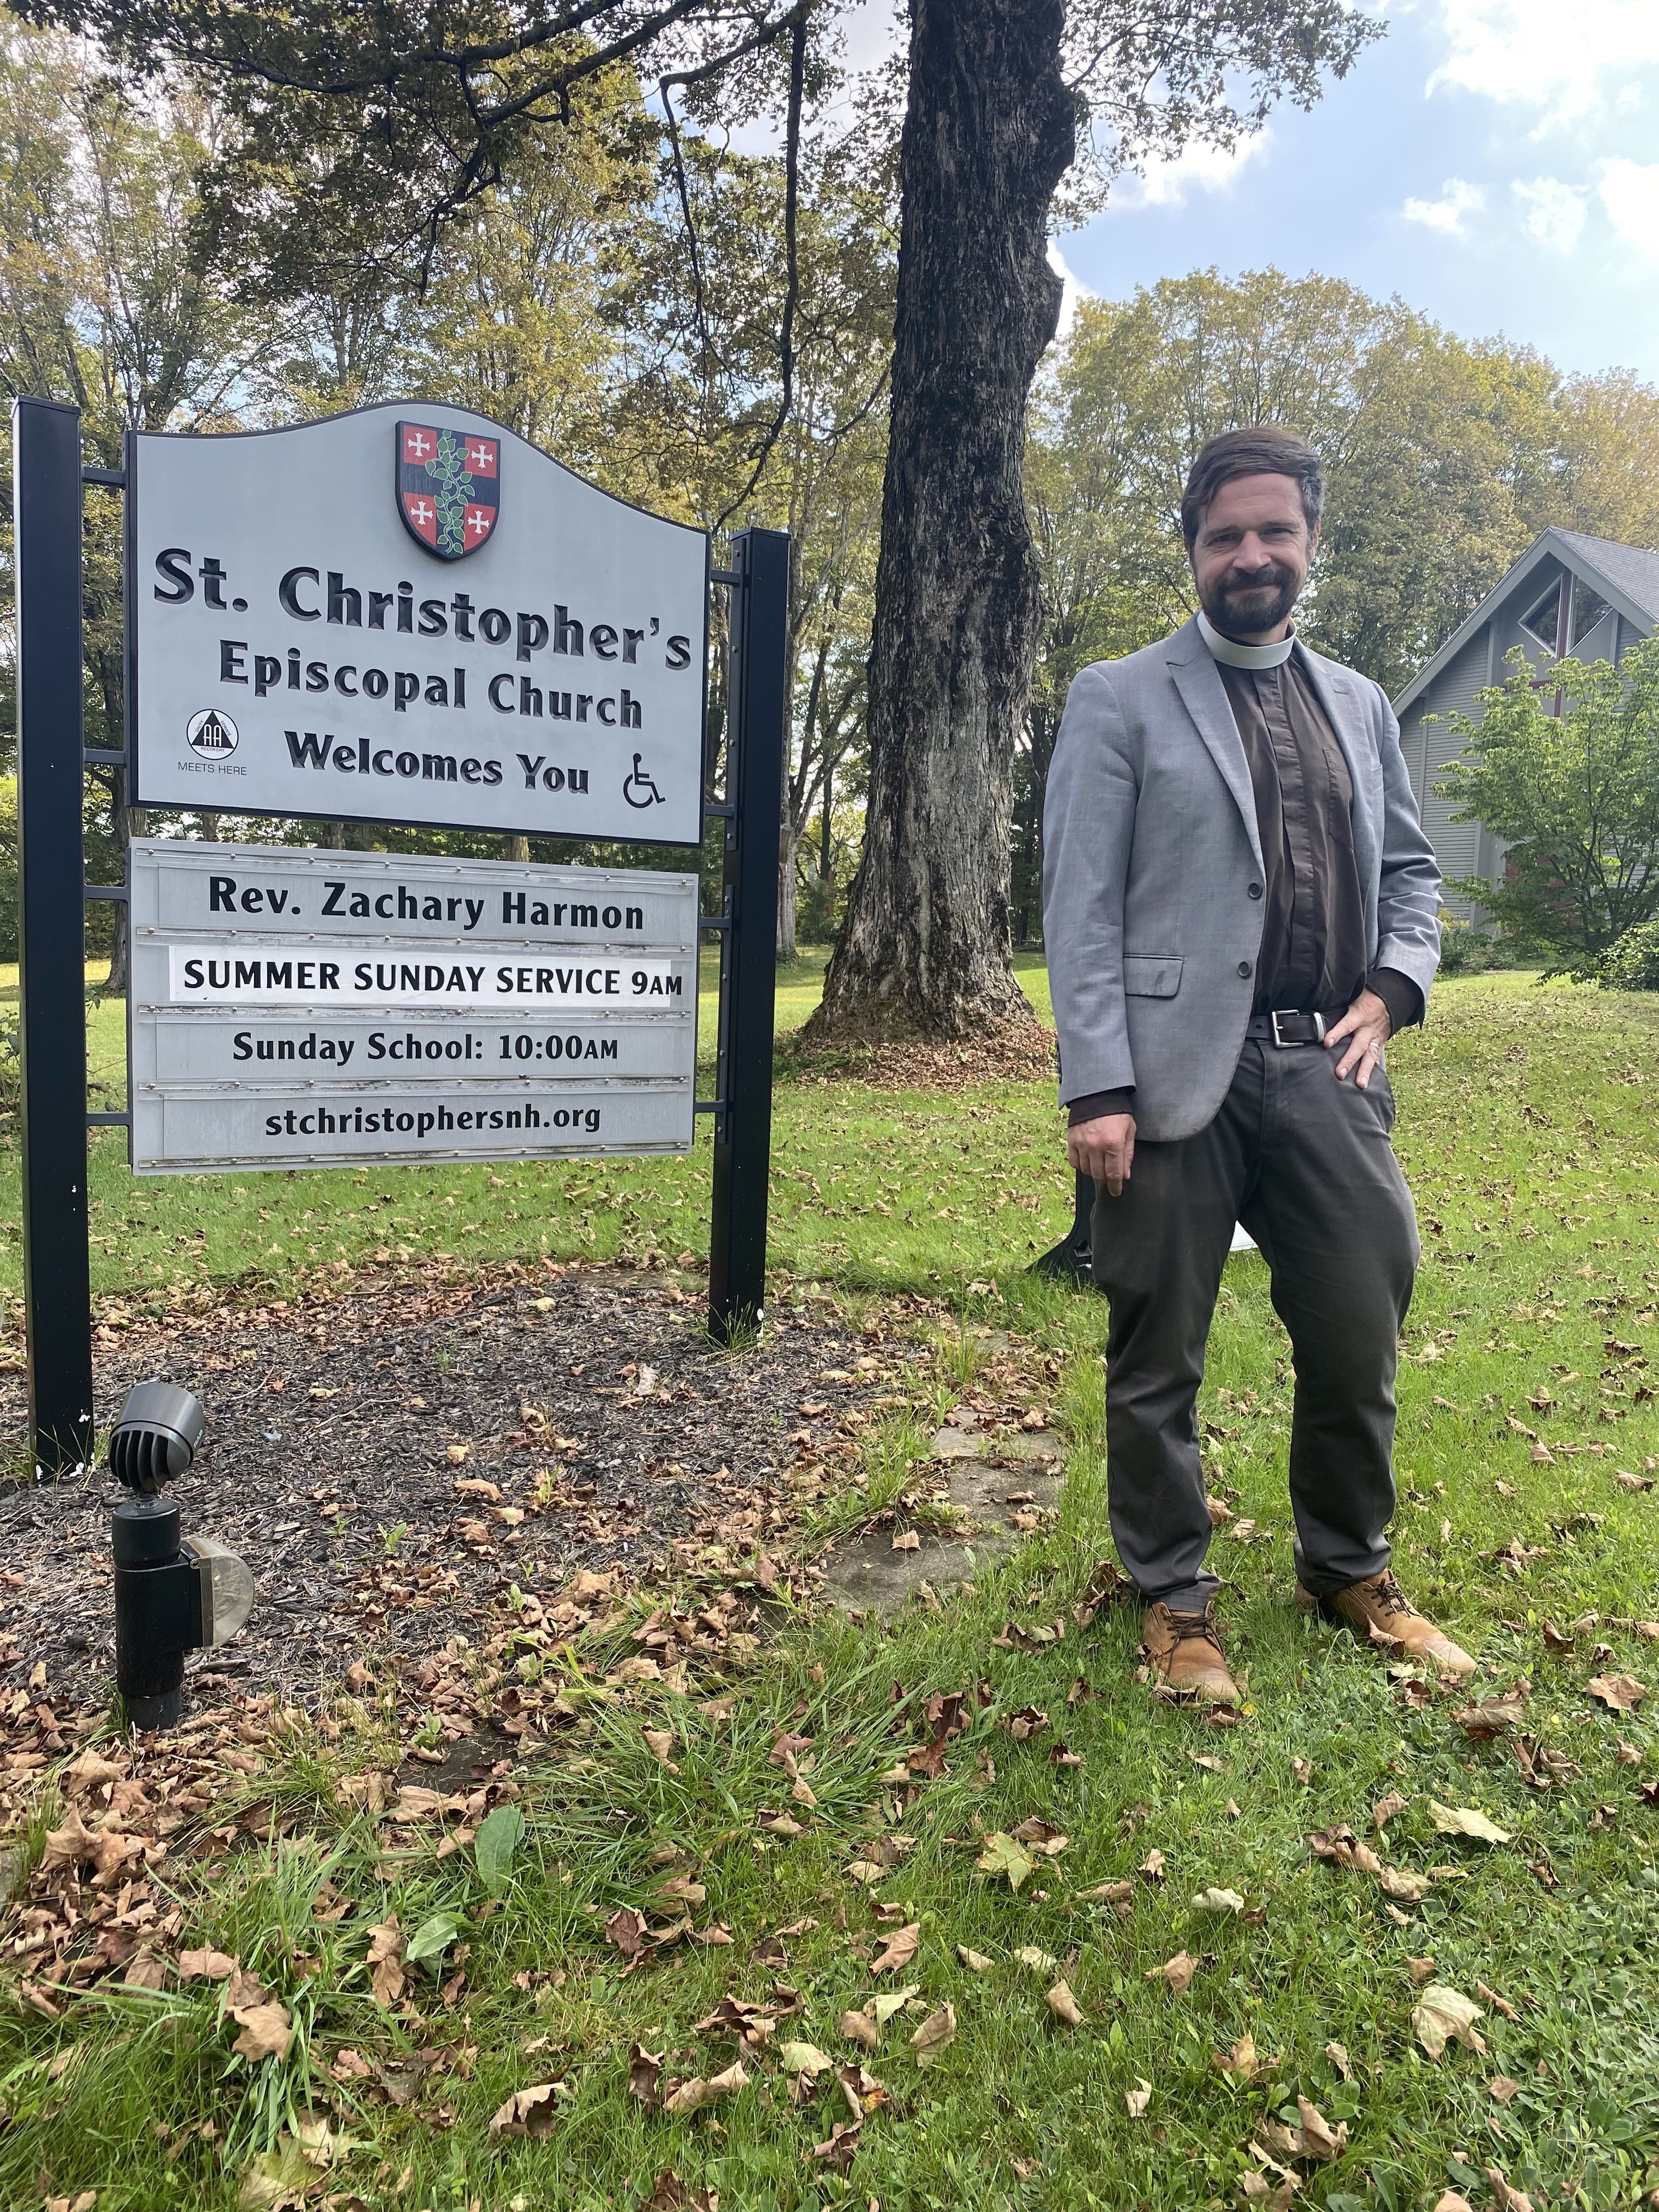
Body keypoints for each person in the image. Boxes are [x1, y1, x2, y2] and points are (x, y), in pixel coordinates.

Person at [1042, 425, 1472, 1705]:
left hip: (1326, 1068)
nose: (1251, 555)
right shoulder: (1118, 697)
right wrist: (1098, 1086)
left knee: (1358, 1323)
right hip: (1175, 1080)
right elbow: (1081, 905)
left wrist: (1396, 988)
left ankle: (1347, 1568)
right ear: (1192, 550)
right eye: (1225, 534)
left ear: (1310, 545)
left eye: (1274, 531)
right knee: (1159, 1348)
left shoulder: (1361, 704)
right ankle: (1173, 1599)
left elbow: (1410, 872)